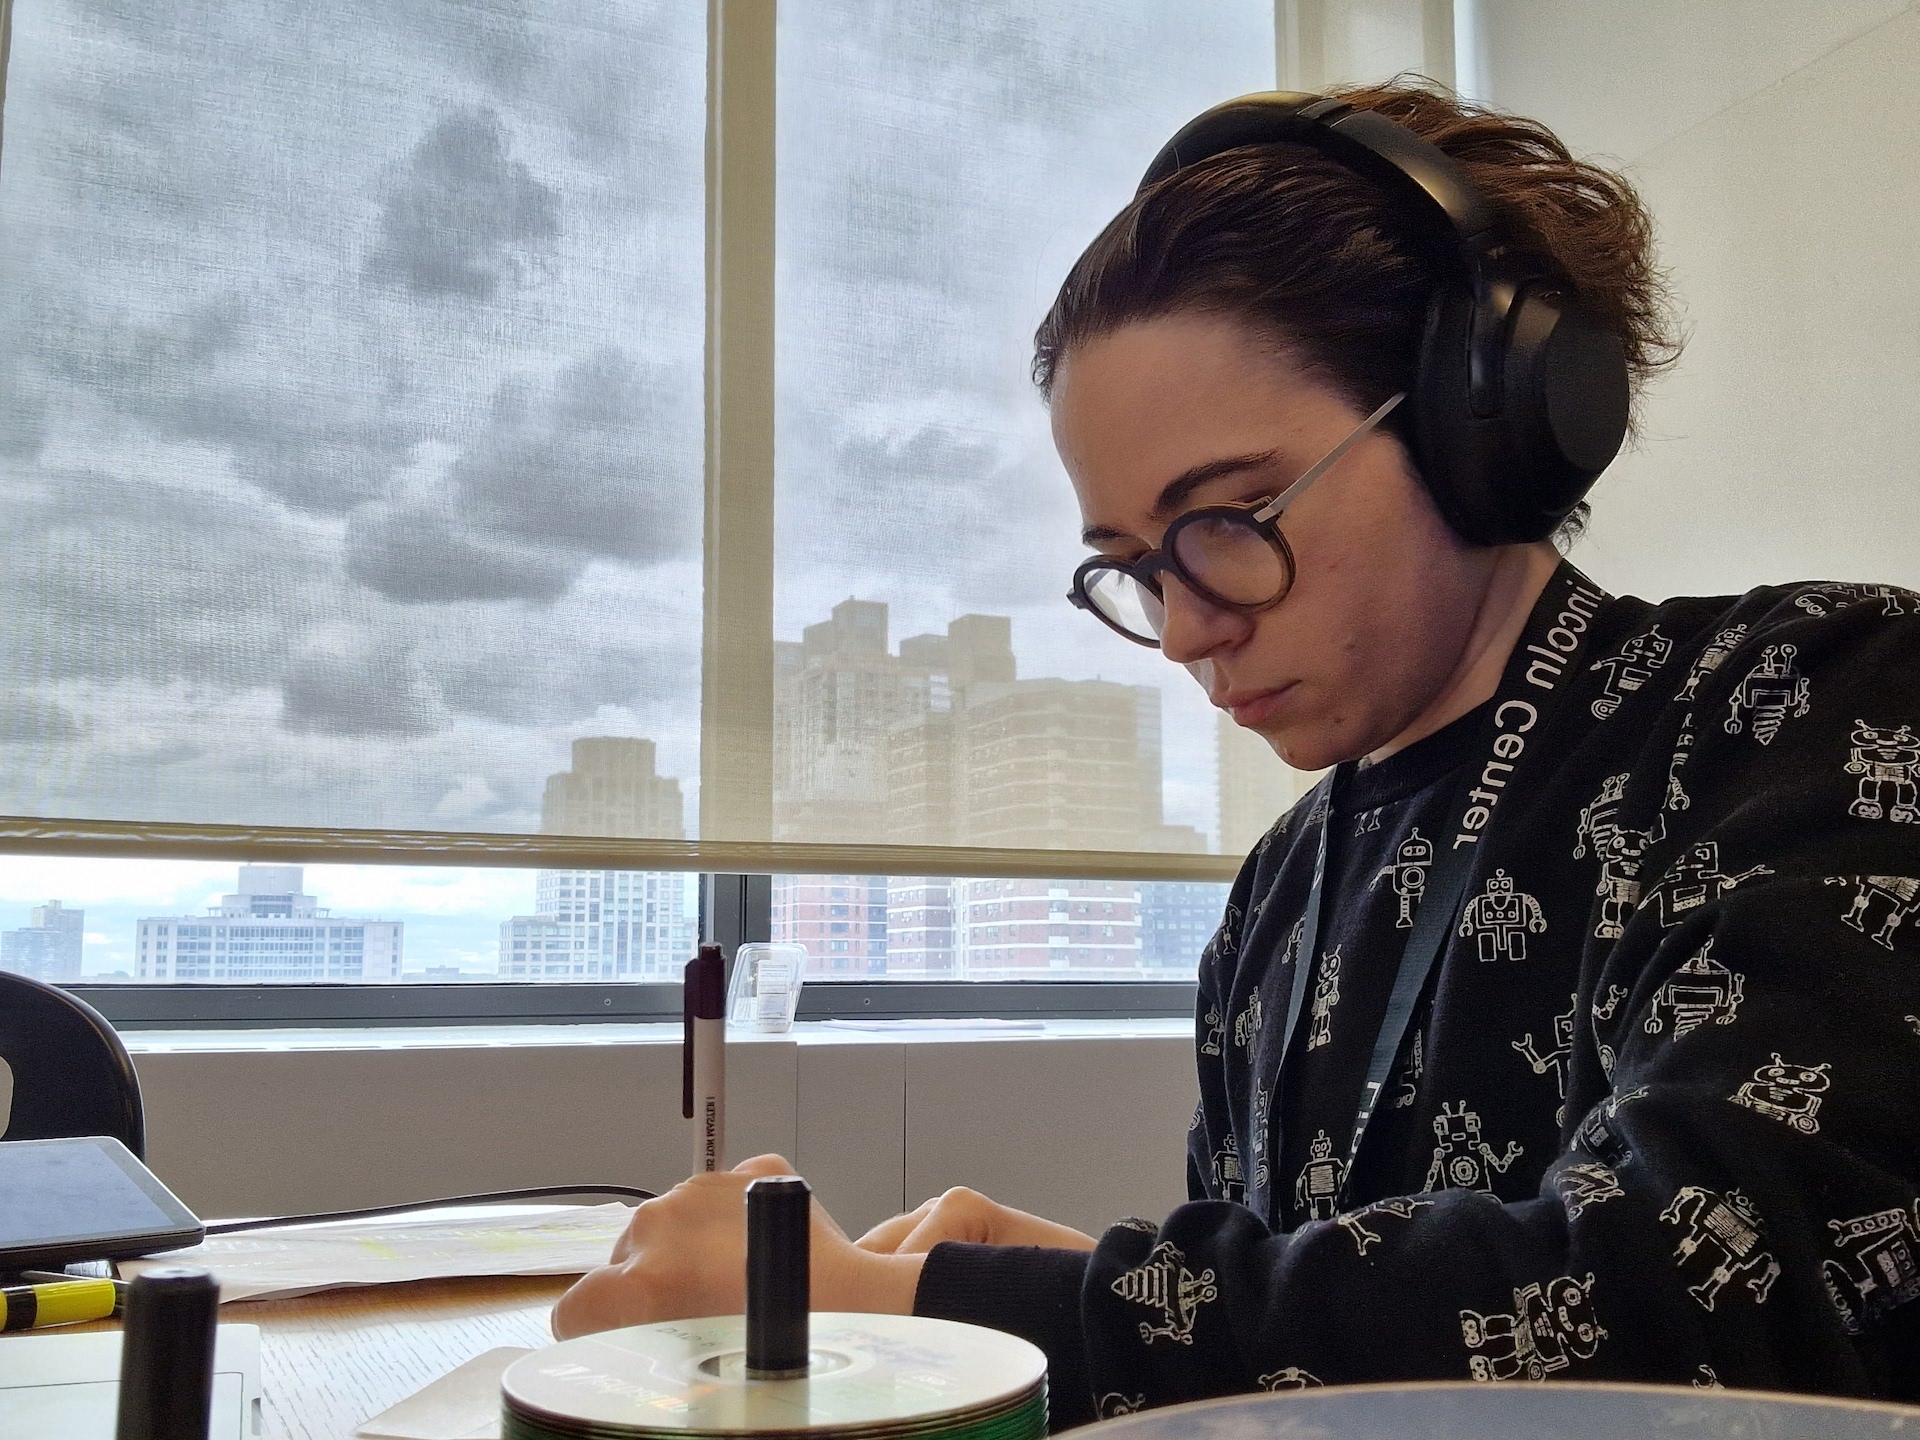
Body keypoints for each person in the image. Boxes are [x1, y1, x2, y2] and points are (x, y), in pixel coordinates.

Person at [553, 81, 1920, 1421]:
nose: (1191, 626)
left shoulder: (1808, 704)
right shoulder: (1278, 892)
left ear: (1476, 421)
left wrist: (934, 1311)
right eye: (1137, 566)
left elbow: (1709, 1302)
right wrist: (1070, 1295)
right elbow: (1309, 1338)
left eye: (1229, 517)